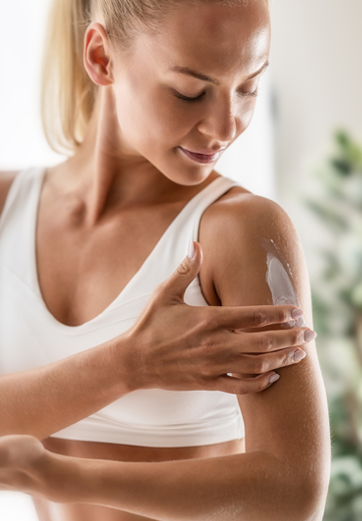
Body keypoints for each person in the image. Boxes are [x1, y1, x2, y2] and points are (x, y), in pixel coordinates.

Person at [0, 0, 331, 520]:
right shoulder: (5, 211)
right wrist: (130, 364)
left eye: (248, 86)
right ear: (102, 58)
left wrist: (55, 476)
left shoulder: (241, 232)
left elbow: (294, 492)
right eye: (190, 92)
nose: (226, 127)